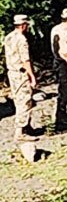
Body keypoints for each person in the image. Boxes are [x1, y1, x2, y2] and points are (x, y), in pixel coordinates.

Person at [4, 14, 38, 143]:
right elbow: (25, 60)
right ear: (24, 25)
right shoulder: (21, 39)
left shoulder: (9, 37)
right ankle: (20, 132)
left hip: (11, 72)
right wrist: (32, 76)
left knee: (18, 99)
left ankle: (26, 127)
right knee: (24, 101)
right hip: (20, 73)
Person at [50, 8, 67, 130]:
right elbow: (66, 53)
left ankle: (63, 115)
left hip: (57, 62)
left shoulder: (55, 28)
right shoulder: (64, 32)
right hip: (63, 63)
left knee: (64, 89)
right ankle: (60, 118)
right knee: (66, 90)